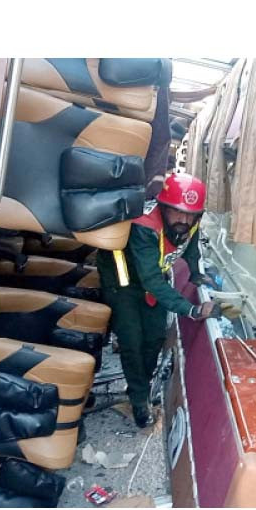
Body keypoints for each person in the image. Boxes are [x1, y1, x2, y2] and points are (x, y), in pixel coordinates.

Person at [96, 173, 220, 428]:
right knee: (132, 339)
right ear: (163, 207)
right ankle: (139, 399)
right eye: (177, 213)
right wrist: (192, 310)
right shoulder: (145, 227)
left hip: (150, 276)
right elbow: (152, 281)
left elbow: (192, 246)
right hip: (122, 280)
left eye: (191, 215)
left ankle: (144, 380)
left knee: (154, 337)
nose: (184, 220)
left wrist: (197, 275)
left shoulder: (191, 221)